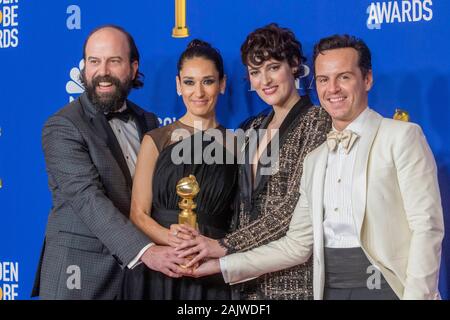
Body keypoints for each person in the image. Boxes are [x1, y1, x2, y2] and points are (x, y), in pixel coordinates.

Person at [185, 34, 445, 300]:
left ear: (367, 79)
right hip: (325, 287)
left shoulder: (401, 136)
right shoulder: (315, 158)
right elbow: (297, 244)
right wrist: (221, 265)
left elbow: (427, 227)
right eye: (323, 80)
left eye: (344, 77)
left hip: (385, 284)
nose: (332, 88)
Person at [176, 23, 331, 300]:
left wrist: (222, 246)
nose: (265, 81)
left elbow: (292, 208)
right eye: (255, 72)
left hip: (288, 280)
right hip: (243, 281)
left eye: (273, 67)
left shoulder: (317, 121)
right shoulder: (252, 127)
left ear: (294, 65)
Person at [31, 25, 160, 299]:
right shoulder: (63, 126)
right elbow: (87, 199)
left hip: (139, 280)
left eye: (114, 61)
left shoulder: (149, 122)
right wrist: (147, 252)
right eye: (94, 61)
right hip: (80, 277)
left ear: (133, 68)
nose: (103, 72)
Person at [119, 39, 238, 300]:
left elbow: (243, 218)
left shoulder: (239, 145)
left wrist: (215, 248)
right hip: (160, 267)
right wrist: (168, 240)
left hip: (211, 269)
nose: (199, 92)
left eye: (207, 81)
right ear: (178, 85)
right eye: (189, 82)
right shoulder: (156, 139)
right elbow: (138, 213)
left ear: (222, 84)